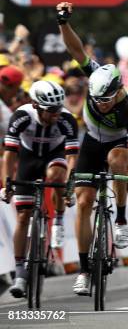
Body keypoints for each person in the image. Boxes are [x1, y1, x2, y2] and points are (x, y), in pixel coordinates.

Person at [56, 2, 128, 295]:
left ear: (119, 90)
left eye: (105, 100)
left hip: (117, 142)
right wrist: (62, 23)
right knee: (82, 203)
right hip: (92, 141)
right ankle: (83, 269)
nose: (100, 104)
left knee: (119, 159)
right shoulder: (96, 76)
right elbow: (76, 50)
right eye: (96, 100)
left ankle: (119, 219)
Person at [0, 81, 78, 298]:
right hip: (29, 158)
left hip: (55, 155)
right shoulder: (21, 117)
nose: (56, 114)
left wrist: (70, 186)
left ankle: (59, 219)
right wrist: (7, 183)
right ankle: (20, 272)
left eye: (58, 108)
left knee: (56, 176)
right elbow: (9, 153)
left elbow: (72, 157)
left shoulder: (67, 119)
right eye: (51, 110)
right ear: (35, 105)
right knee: (23, 217)